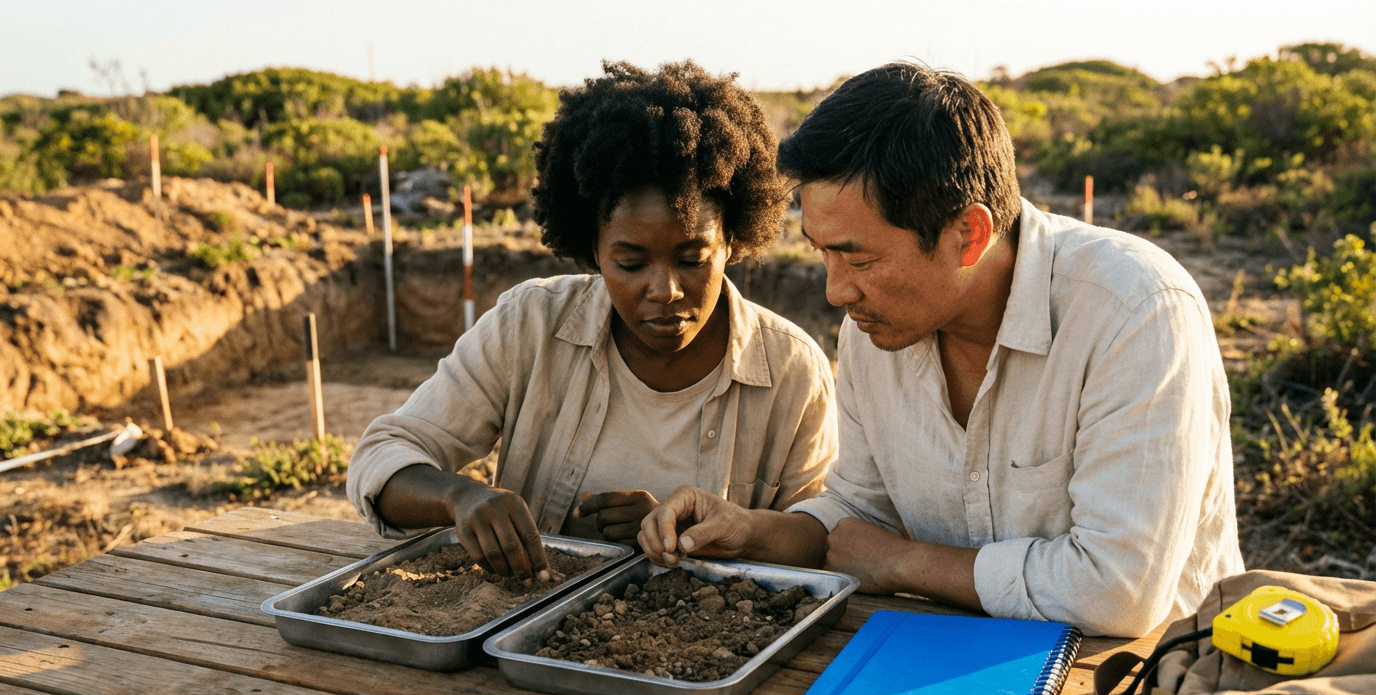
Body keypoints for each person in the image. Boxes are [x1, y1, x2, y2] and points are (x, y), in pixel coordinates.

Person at [640, 62, 1245, 637]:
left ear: (969, 234)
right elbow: (862, 518)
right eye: (822, 252)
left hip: (1135, 691)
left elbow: (1121, 590)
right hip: (929, 662)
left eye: (859, 257)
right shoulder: (872, 331)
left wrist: (907, 565)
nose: (834, 290)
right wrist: (749, 531)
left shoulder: (1134, 310)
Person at [346, 60, 837, 586]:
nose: (665, 290)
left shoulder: (792, 370)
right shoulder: (528, 326)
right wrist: (460, 496)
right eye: (630, 264)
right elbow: (382, 459)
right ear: (591, 249)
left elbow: (817, 536)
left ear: (732, 241)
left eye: (693, 259)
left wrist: (707, 536)